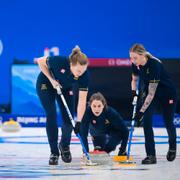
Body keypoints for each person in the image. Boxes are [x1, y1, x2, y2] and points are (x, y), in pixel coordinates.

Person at [36, 46, 89, 165]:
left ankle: (64, 146)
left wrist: (79, 122)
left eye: (84, 71)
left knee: (68, 120)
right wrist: (51, 80)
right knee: (51, 114)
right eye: (79, 71)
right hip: (46, 83)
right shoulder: (59, 61)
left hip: (65, 88)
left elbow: (82, 100)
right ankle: (54, 152)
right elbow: (40, 61)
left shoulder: (84, 76)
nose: (81, 74)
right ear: (71, 65)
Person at [130, 43, 177, 164]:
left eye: (135, 58)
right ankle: (151, 155)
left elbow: (151, 93)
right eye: (131, 58)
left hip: (167, 94)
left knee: (168, 121)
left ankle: (172, 147)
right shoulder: (136, 65)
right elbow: (134, 80)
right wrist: (134, 93)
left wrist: (141, 111)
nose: (132, 60)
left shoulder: (154, 64)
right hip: (152, 95)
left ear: (142, 55)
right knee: (147, 121)